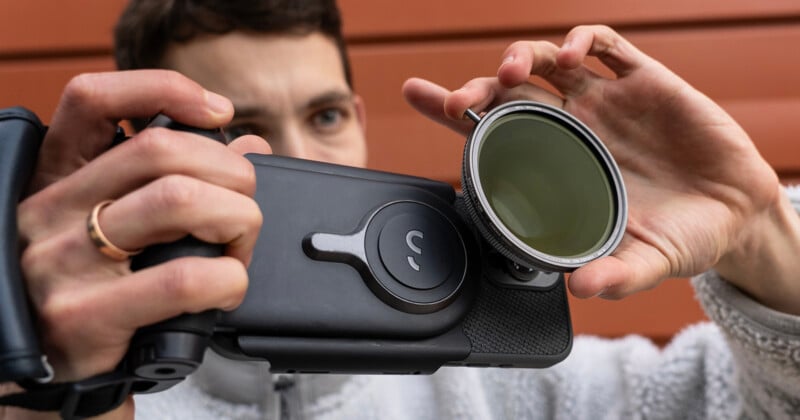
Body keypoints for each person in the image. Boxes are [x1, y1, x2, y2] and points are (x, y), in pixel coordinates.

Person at [2, 1, 798, 419]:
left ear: (355, 113)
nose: (298, 163)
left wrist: (758, 229)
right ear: (150, 145)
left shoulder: (519, 376)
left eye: (323, 117)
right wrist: (62, 399)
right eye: (238, 128)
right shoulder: (87, 380)